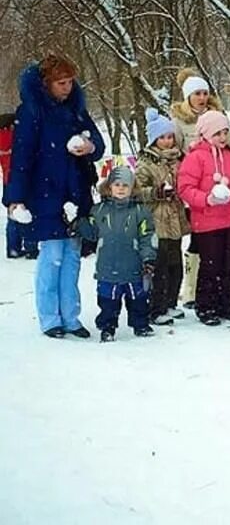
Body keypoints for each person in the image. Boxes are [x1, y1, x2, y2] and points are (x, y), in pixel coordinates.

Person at [2, 54, 105, 338]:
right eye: (61, 82)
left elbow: (98, 144)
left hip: (76, 192)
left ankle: (71, 316)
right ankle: (50, 317)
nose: (67, 87)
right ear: (47, 83)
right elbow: (20, 159)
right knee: (52, 256)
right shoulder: (32, 111)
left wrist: (88, 146)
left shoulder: (77, 110)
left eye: (70, 81)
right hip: (45, 193)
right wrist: (15, 198)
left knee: (72, 257)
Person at [169, 67, 230, 307]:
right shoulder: (179, 121)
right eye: (197, 94)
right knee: (202, 246)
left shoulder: (219, 116)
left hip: (224, 197)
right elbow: (174, 151)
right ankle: (193, 289)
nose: (202, 98)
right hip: (197, 188)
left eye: (205, 93)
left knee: (226, 252)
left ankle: (229, 290)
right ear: (188, 97)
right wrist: (193, 176)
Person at [177, 111, 230, 326]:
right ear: (205, 134)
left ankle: (227, 305)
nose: (222, 137)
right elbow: (185, 188)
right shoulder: (196, 158)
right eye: (217, 133)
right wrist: (207, 199)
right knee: (210, 266)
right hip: (206, 221)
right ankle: (206, 306)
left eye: (225, 132)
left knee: (229, 264)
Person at [69, 166, 157, 342]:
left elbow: (148, 236)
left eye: (126, 185)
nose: (121, 188)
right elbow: (92, 233)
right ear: (109, 187)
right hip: (107, 266)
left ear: (133, 188)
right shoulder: (99, 210)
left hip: (134, 266)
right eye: (117, 184)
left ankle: (140, 324)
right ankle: (107, 327)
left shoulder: (141, 212)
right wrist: (77, 223)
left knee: (138, 299)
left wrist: (148, 258)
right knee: (108, 301)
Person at [135, 108, 191, 326]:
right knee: (160, 267)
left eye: (170, 137)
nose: (168, 142)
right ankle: (156, 308)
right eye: (162, 138)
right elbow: (138, 190)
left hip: (176, 218)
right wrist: (156, 192)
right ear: (153, 139)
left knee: (175, 264)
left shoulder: (178, 158)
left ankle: (170, 303)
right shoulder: (146, 162)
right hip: (157, 220)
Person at [0, 112, 37, 259]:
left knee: (13, 215)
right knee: (28, 212)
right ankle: (31, 247)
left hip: (8, 180)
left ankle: (13, 248)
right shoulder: (17, 138)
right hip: (24, 178)